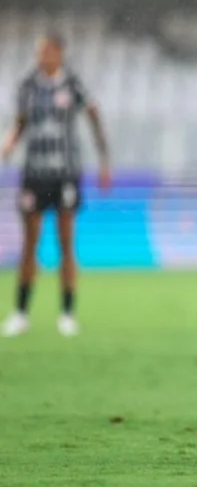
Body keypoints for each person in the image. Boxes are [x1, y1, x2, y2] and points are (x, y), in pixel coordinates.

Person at [1, 32, 110, 337]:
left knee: (66, 243)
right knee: (29, 245)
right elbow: (21, 122)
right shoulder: (28, 86)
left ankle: (67, 313)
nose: (43, 57)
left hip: (65, 174)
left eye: (48, 51)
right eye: (39, 52)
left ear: (60, 53)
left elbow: (94, 116)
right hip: (34, 173)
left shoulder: (73, 84)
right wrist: (9, 143)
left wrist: (104, 161)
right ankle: (21, 313)